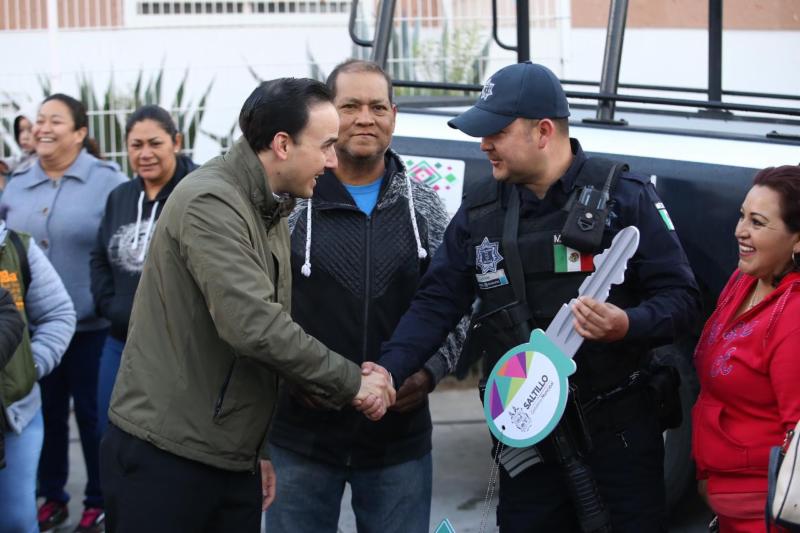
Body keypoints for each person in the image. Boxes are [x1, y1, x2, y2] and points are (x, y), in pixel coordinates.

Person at [375, 61, 701, 532]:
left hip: (620, 431)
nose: (483, 144)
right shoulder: (480, 211)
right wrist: (388, 371)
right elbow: (436, 302)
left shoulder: (626, 198)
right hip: (526, 434)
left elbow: (683, 300)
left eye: (497, 132)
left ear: (543, 131)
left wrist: (626, 324)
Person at [99, 77, 395, 533]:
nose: (333, 161)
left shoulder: (269, 204)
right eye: (325, 146)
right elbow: (254, 326)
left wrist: (258, 450)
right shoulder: (211, 201)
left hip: (227, 454)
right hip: (168, 456)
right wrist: (352, 382)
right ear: (282, 145)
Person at [265, 60, 465, 533]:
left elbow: (455, 302)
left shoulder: (426, 205)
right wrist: (288, 375)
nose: (364, 119)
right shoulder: (290, 203)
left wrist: (430, 371)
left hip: (399, 441)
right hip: (301, 439)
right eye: (349, 106)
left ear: (394, 115)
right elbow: (259, 308)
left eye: (377, 107)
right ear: (327, 116)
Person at [0, 93, 127, 533]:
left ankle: (98, 501)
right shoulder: (18, 181)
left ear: (80, 132)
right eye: (39, 119)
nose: (43, 127)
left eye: (55, 120)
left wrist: (108, 303)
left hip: (90, 326)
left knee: (94, 419)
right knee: (44, 417)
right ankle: (51, 497)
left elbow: (119, 248)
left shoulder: (106, 181)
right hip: (22, 334)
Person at [692, 165, 800, 533]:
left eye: (757, 222)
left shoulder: (793, 315)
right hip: (729, 506)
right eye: (742, 216)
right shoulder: (744, 279)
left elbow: (797, 434)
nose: (740, 230)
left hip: (764, 515)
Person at [90, 105, 198, 436]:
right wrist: (111, 306)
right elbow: (99, 257)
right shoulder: (120, 196)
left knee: (171, 436)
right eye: (136, 145)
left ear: (176, 142)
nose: (145, 154)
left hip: (179, 345)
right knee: (109, 428)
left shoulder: (198, 191)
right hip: (121, 338)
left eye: (155, 143)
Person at [0, 221, 76, 533]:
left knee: (16, 521)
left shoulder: (17, 246)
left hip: (16, 413)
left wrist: (30, 366)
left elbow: (59, 314)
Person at [0, 115, 37, 189]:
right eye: (21, 131)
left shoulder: (43, 163)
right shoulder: (26, 155)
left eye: (30, 130)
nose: (24, 137)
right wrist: (3, 164)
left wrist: (3, 186)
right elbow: (16, 161)